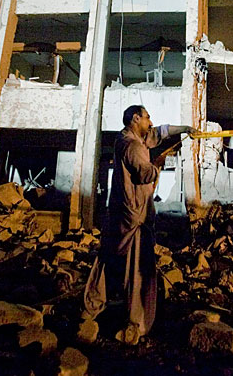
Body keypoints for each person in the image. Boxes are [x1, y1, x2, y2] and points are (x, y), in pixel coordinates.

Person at [82, 105, 196, 344]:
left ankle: (92, 307)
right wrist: (158, 164)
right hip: (134, 216)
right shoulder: (133, 146)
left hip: (123, 214)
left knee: (109, 259)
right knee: (139, 269)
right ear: (136, 119)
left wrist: (185, 128)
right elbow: (145, 173)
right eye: (147, 118)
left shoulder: (128, 137)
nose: (150, 122)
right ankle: (137, 322)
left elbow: (159, 132)